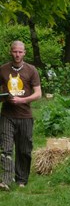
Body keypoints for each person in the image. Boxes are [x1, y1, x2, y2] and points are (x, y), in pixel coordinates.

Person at [0, 40, 42, 191]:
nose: (17, 54)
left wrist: (22, 100)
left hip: (25, 115)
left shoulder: (31, 70)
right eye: (14, 51)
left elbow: (38, 94)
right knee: (6, 148)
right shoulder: (3, 69)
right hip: (7, 115)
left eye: (20, 52)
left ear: (24, 53)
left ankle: (21, 179)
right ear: (10, 52)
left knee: (24, 150)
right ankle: (5, 180)